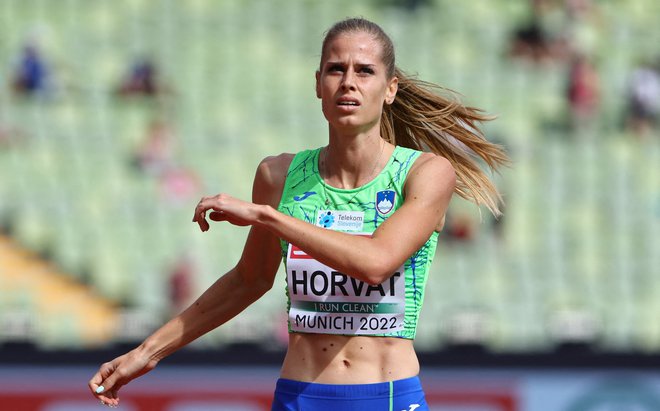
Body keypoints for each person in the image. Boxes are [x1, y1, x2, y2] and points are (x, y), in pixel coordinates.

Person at [88, 17, 508, 410]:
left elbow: (375, 264)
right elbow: (248, 281)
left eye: (364, 71)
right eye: (335, 69)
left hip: (388, 395)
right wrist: (147, 353)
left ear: (391, 87)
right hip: (299, 396)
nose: (348, 83)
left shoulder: (426, 173)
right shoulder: (278, 175)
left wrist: (268, 217)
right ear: (317, 84)